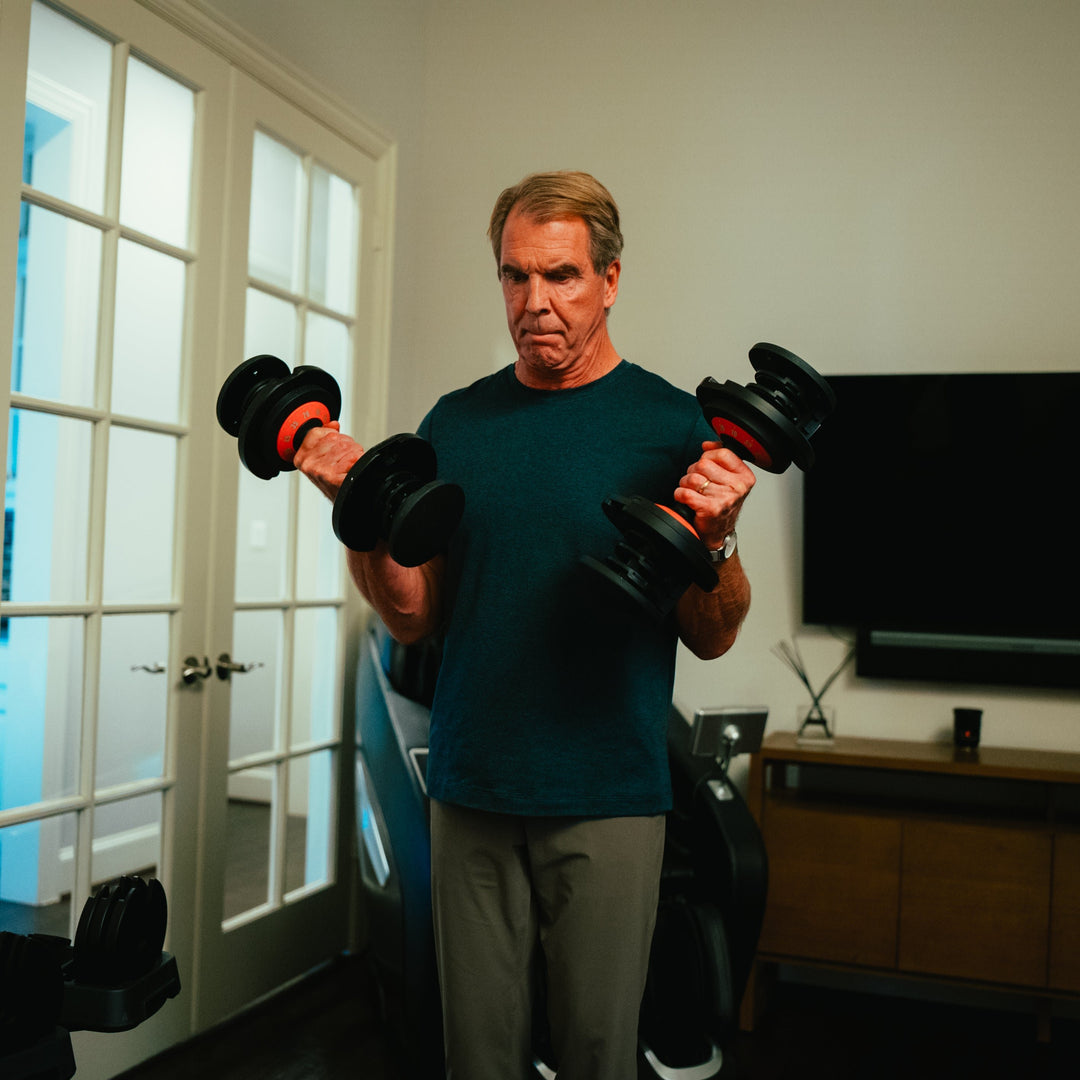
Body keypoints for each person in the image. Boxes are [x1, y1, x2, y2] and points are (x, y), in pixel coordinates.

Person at [295, 171, 754, 1080]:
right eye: (515, 277)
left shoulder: (673, 428)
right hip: (473, 788)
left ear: (610, 279)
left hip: (610, 791)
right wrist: (360, 516)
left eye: (562, 277)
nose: (535, 303)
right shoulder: (457, 425)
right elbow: (416, 614)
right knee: (479, 1056)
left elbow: (714, 631)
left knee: (595, 1052)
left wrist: (721, 536)